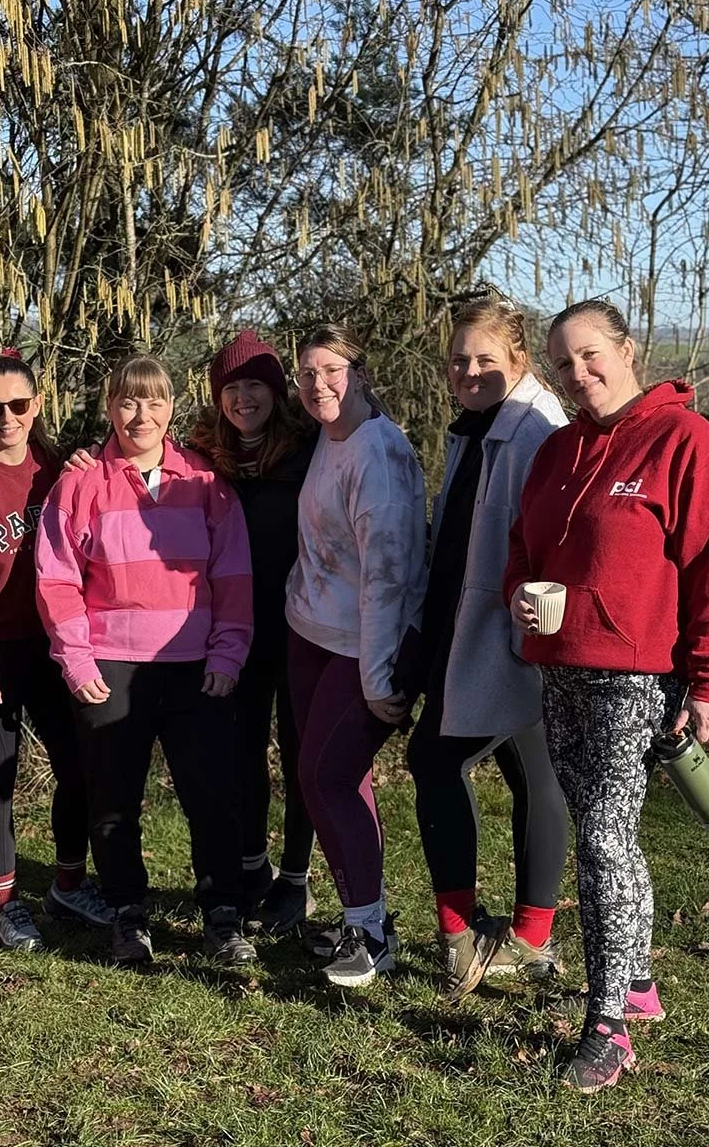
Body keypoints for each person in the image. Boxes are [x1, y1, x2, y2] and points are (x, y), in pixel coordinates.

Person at [505, 298, 709, 1092]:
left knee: (603, 842)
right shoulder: (556, 450)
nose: (579, 374)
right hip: (559, 667)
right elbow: (523, 546)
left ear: (627, 350)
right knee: (603, 833)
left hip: (637, 677)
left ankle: (606, 1025)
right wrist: (516, 594)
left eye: (590, 355)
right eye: (562, 363)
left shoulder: (684, 441)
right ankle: (636, 981)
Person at [35, 354, 257, 967]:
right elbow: (57, 579)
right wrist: (77, 663)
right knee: (112, 799)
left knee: (211, 795)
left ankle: (222, 914)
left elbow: (233, 575)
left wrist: (228, 652)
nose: (141, 415)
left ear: (172, 408)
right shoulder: (81, 484)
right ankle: (128, 912)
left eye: (154, 402)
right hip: (112, 666)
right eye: (128, 402)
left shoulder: (205, 483)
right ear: (110, 408)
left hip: (197, 667)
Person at [403, 298, 570, 999]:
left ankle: (462, 936)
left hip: (509, 635)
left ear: (520, 361)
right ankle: (529, 935)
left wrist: (524, 629)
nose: (469, 371)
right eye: (458, 360)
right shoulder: (477, 425)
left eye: (485, 359)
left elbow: (554, 540)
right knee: (533, 770)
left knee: (433, 757)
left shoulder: (533, 430)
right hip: (468, 630)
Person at [0, 349, 111, 950]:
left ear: (37, 405)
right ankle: (5, 904)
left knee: (79, 766)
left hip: (58, 645)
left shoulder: (63, 467)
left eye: (18, 404)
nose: (5, 417)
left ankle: (67, 882)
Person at [285, 323, 426, 987]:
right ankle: (360, 917)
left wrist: (377, 677)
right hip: (311, 632)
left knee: (325, 777)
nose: (318, 385)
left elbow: (388, 579)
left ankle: (369, 934)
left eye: (330, 370)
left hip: (363, 647)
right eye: (306, 374)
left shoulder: (380, 456)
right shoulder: (326, 434)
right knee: (339, 779)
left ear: (360, 372)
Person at [190, 330, 317, 932]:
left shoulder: (310, 448)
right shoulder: (200, 458)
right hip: (230, 629)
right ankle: (251, 867)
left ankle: (296, 879)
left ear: (276, 392)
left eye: (256, 386)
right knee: (239, 753)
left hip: (300, 626)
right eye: (232, 387)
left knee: (300, 754)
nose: (244, 398)